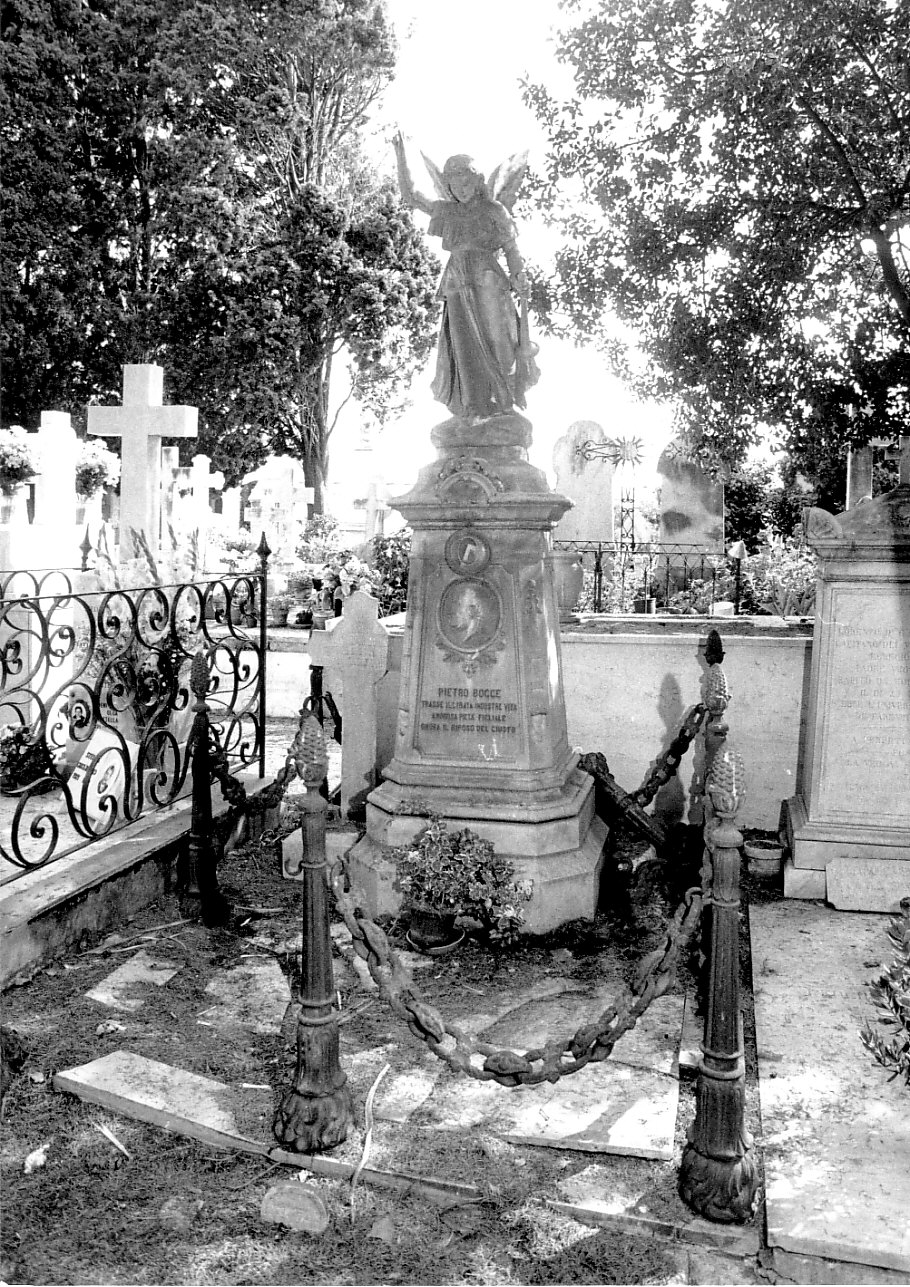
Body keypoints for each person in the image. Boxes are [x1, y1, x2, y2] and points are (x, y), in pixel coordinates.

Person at [393, 134, 539, 421]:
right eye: (454, 182)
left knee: (500, 344)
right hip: (457, 282)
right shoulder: (446, 212)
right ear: (447, 184)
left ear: (478, 181)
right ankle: (473, 409)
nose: (461, 187)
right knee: (463, 348)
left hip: (489, 281)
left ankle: (503, 404)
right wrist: (400, 155)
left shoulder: (494, 210)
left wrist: (519, 275)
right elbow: (410, 195)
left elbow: (511, 248)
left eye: (466, 180)